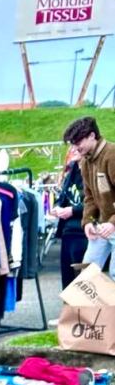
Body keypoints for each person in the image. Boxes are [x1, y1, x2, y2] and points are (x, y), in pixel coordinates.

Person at [63, 116, 115, 277]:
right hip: (103, 225)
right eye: (72, 143)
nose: (75, 147)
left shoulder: (112, 154)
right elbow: (89, 196)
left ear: (92, 136)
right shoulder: (86, 161)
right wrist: (87, 222)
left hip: (111, 223)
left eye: (78, 142)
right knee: (87, 273)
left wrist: (113, 222)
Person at [51, 145, 86, 289]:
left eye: (77, 146)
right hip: (67, 231)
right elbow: (65, 196)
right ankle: (70, 304)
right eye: (71, 146)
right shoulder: (72, 171)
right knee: (68, 282)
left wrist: (72, 210)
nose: (73, 150)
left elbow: (97, 201)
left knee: (83, 282)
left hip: (84, 232)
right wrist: (58, 207)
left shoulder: (91, 171)